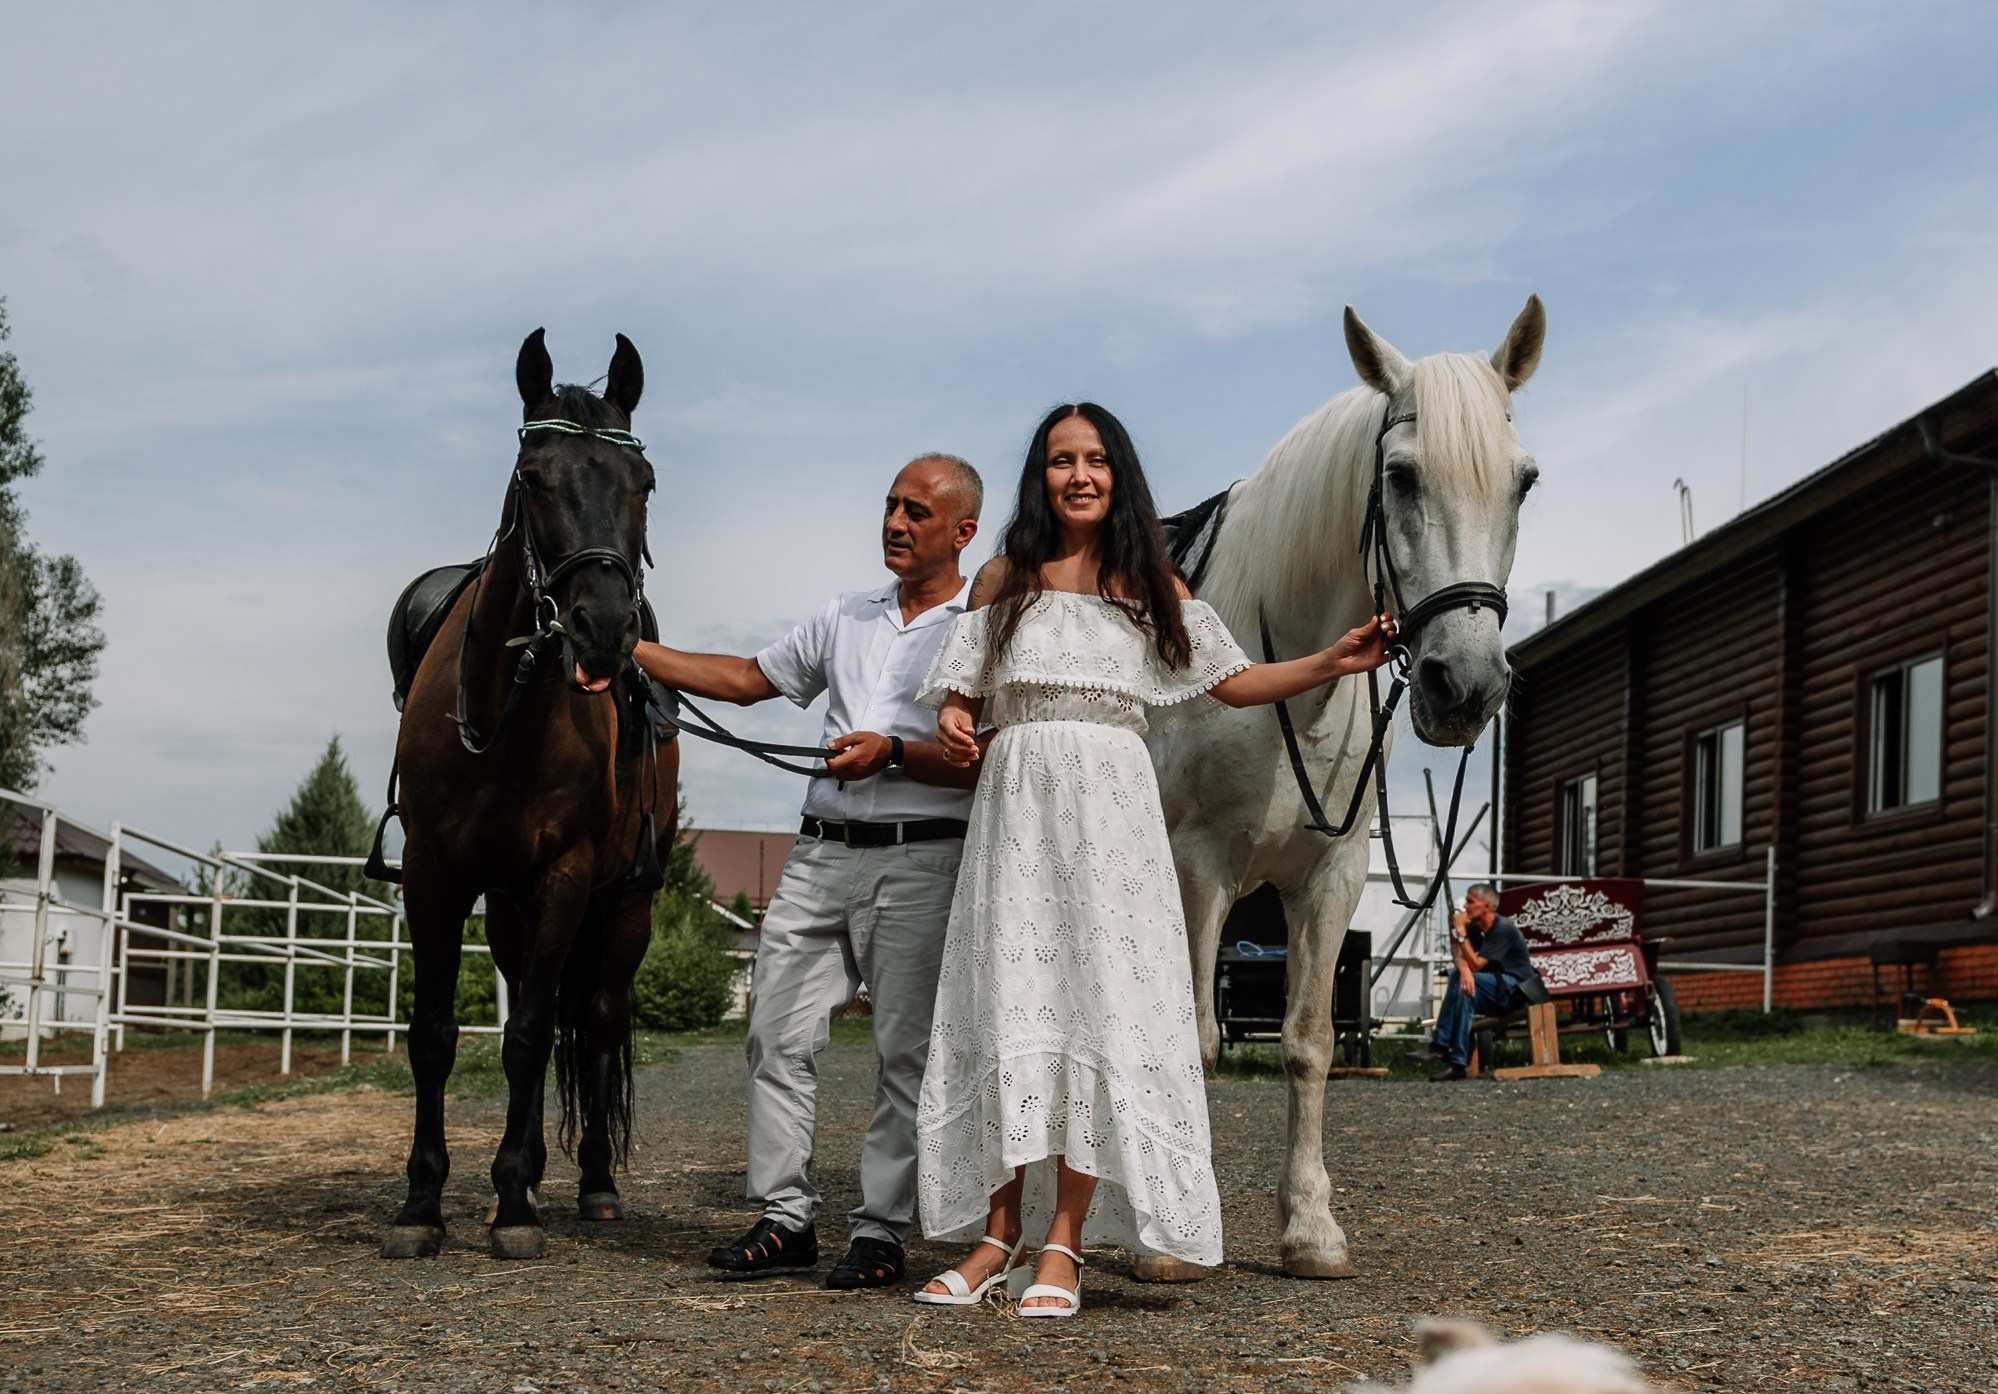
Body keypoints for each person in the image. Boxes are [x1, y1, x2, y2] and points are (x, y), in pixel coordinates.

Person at [910, 403, 1391, 1319]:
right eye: (1061, 460)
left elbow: (1234, 682)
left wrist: (1332, 660)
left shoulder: (1148, 586)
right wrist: (958, 720)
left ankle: (1065, 1246)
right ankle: (994, 1237)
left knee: (1099, 1012)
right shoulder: (1000, 580)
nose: (1079, 475)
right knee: (1010, 1007)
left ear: (1119, 475)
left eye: (1095, 460)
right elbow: (961, 697)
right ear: (1040, 475)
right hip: (1017, 816)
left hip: (1112, 818)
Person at [631, 454, 983, 1289]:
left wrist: (895, 751)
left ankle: (880, 1232)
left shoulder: (982, 627)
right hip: (819, 851)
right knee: (775, 1035)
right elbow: (749, 681)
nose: (894, 523)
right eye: (890, 506)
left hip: (925, 858)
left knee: (906, 1055)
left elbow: (988, 760)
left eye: (917, 513)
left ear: (963, 532)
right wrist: (631, 648)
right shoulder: (846, 614)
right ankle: (785, 1219)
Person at [1425, 885, 1546, 1078]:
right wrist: (1464, 970)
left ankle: (1439, 1045)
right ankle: (1458, 1064)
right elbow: (1460, 955)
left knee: (1460, 979)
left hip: (1517, 992)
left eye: (1471, 902)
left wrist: (1460, 930)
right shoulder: (1477, 928)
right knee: (1466, 992)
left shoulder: (1503, 928)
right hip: (1497, 989)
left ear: (1487, 906)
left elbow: (1477, 964)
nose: (1466, 906)